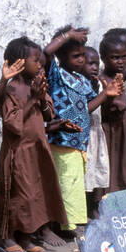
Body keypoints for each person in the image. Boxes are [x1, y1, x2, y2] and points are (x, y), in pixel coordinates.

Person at [0, 37, 69, 252]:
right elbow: (13, 124)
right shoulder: (12, 89)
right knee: (17, 194)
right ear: (20, 63)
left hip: (37, 149)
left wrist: (41, 98)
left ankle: (27, 236)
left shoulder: (36, 85)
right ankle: (9, 238)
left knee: (34, 193)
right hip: (18, 152)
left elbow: (48, 113)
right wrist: (34, 99)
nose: (40, 65)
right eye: (36, 61)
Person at [44, 25, 95, 237]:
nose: (81, 60)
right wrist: (68, 36)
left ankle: (71, 221)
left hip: (79, 141)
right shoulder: (56, 75)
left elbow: (89, 106)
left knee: (74, 183)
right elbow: (47, 52)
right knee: (65, 183)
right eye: (76, 56)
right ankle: (66, 225)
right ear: (62, 57)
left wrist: (108, 94)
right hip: (62, 139)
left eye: (83, 55)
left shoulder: (82, 80)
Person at [99, 31, 126, 193]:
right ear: (103, 58)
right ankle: (106, 198)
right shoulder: (102, 80)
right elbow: (103, 106)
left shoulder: (123, 77)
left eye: (123, 57)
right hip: (109, 128)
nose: (120, 62)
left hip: (124, 126)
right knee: (110, 163)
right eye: (115, 58)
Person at [81, 46, 112, 216]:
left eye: (96, 63)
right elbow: (87, 109)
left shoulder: (99, 83)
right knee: (87, 172)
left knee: (99, 167)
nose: (94, 67)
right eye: (90, 63)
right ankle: (85, 207)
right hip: (85, 135)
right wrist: (105, 93)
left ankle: (95, 205)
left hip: (97, 131)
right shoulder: (79, 84)